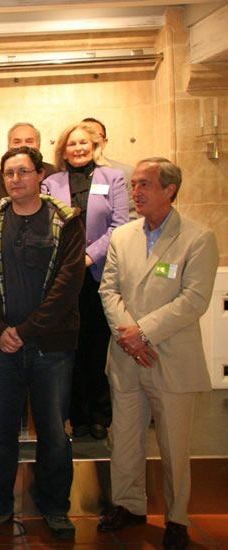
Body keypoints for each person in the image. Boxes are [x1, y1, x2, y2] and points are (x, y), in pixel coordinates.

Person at [98, 158, 219, 550]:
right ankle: (128, 505)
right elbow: (108, 290)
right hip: (126, 357)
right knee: (125, 440)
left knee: (174, 445)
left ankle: (177, 519)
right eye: (134, 184)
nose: (136, 192)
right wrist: (129, 336)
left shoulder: (198, 238)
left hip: (171, 358)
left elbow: (194, 299)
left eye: (145, 184)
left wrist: (144, 333)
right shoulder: (123, 236)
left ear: (170, 190)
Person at [0, 146, 85, 540]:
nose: (16, 179)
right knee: (0, 432)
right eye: (9, 173)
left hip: (51, 347)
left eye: (23, 172)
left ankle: (55, 508)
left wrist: (26, 330)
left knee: (53, 433)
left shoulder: (66, 222)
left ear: (40, 175)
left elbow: (67, 285)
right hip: (1, 347)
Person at [43, 122, 129, 441]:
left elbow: (120, 226)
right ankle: (76, 416)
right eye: (72, 144)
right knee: (71, 346)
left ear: (94, 146)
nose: (78, 148)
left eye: (83, 143)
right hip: (64, 277)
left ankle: (100, 416)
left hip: (98, 274)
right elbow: (46, 226)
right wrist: (70, 261)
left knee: (98, 345)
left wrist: (89, 257)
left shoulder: (113, 178)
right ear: (63, 151)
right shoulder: (51, 182)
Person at [82, 117, 138, 220]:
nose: (90, 140)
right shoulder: (63, 175)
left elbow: (132, 215)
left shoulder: (125, 173)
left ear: (104, 142)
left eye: (95, 135)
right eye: (84, 137)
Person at [0, 123, 57, 199]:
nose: (23, 146)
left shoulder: (55, 174)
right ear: (8, 146)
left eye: (29, 141)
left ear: (39, 145)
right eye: (17, 142)